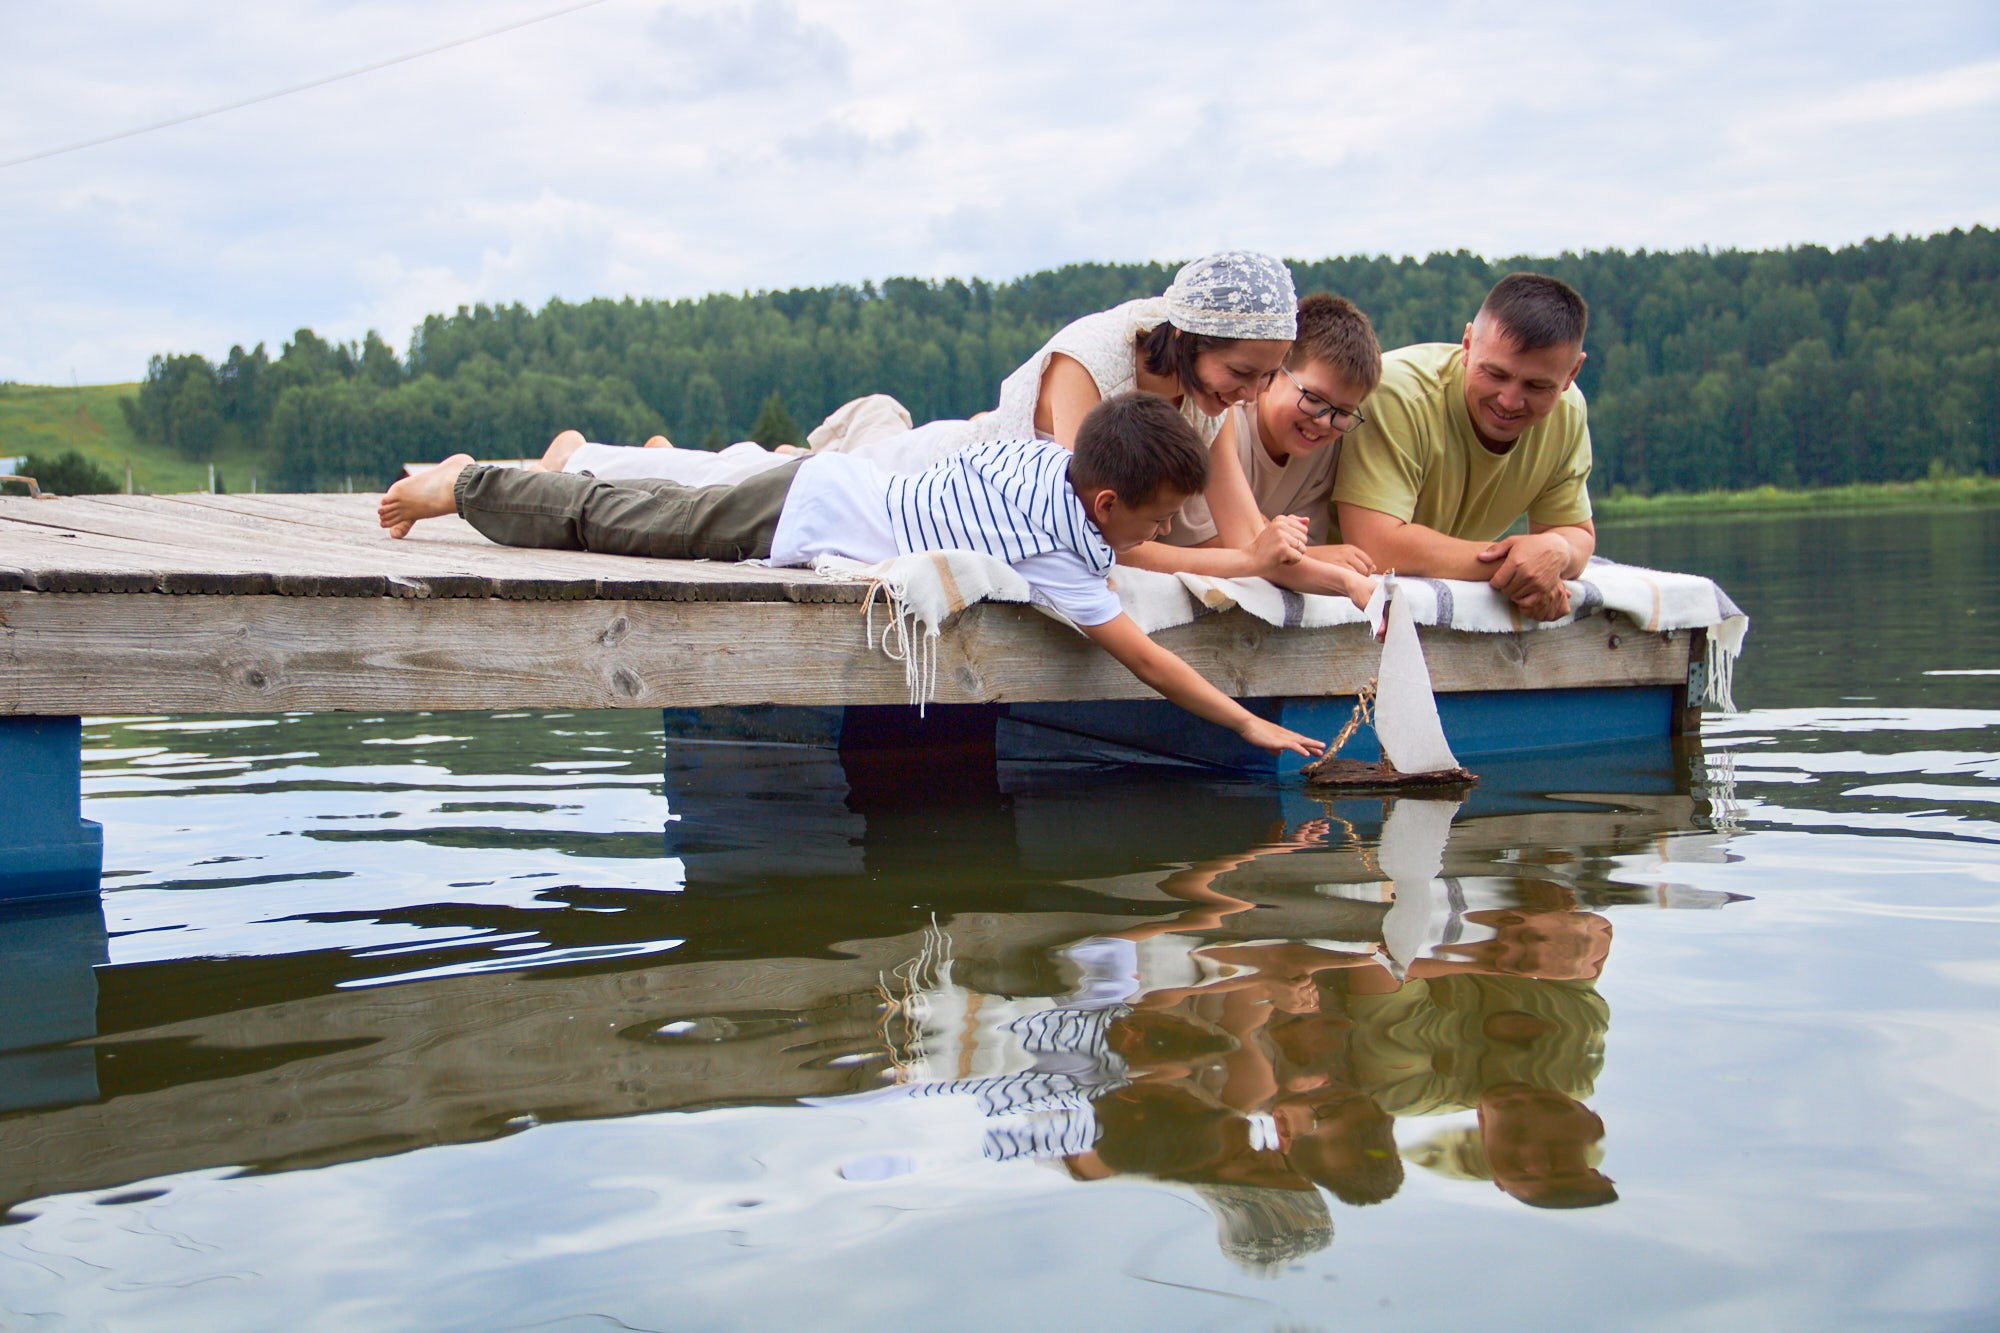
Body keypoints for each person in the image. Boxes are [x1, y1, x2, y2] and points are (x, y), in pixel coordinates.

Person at [378, 392, 1325, 758]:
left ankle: (569, 457)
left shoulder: (1057, 464)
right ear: (1108, 503)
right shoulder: (1062, 554)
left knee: (651, 496)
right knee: (611, 527)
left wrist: (1229, 557)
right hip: (795, 514)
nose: (1161, 534)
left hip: (825, 485)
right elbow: (1151, 662)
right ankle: (464, 485)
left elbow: (1124, 548)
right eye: (1157, 516)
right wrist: (1250, 723)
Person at [540, 249, 1299, 486]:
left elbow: (1236, 533)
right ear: (1191, 334)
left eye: (1267, 378)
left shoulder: (1208, 397)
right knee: (760, 489)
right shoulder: (1094, 358)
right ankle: (584, 458)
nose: (1251, 395)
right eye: (1243, 371)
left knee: (777, 474)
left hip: (950, 472)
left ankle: (676, 458)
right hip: (935, 475)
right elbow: (1084, 505)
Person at [1333, 272, 1595, 622]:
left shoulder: (1568, 410)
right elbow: (1376, 547)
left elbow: (1576, 534)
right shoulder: (1396, 391)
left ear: (1571, 373)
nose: (1510, 400)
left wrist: (1557, 553)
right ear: (1467, 344)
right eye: (1496, 374)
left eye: (1536, 385)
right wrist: (1520, 566)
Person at [1123, 292, 1384, 602]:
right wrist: (1317, 559)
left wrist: (1308, 561)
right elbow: (1207, 545)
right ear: (1274, 372)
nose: (1324, 421)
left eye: (1342, 413)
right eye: (1312, 398)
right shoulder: (1218, 416)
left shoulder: (1324, 454)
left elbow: (1277, 547)